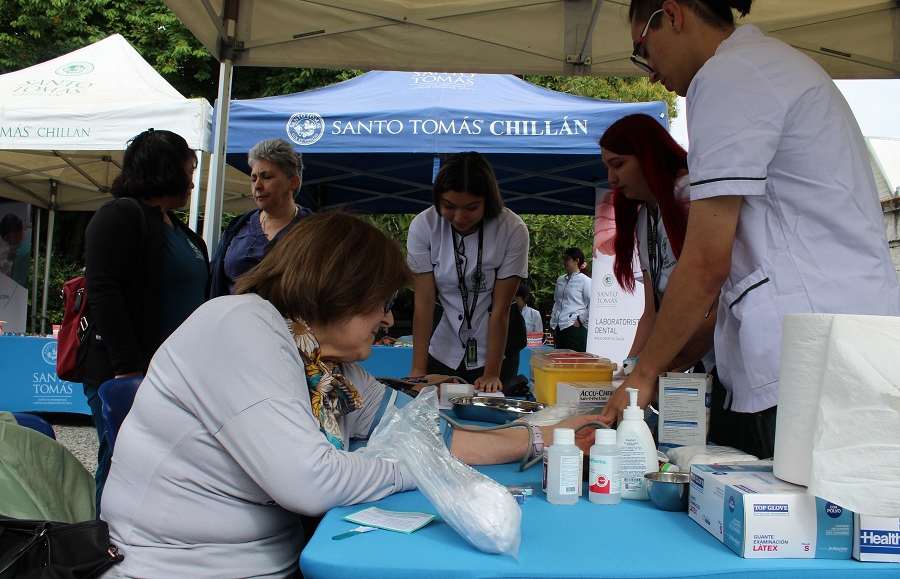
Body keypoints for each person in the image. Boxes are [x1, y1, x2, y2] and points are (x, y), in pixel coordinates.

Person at [100, 211, 608, 578]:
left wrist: (539, 438)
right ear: (336, 287)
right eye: (381, 303)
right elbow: (312, 484)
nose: (389, 319)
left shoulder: (319, 358)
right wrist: (410, 466)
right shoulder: (241, 326)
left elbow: (422, 431)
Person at [602, 0, 900, 459]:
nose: (651, 72)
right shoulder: (774, 66)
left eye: (643, 50)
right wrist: (669, 358)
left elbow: (705, 262)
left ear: (672, 16)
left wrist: (641, 378)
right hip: (842, 341)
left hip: (807, 355)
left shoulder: (728, 78)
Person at [77, 129, 209, 516]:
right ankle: (101, 545)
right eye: (188, 169)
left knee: (162, 470)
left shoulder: (182, 232)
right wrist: (128, 370)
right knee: (121, 463)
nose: (190, 180)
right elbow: (105, 294)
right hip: (128, 375)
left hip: (174, 377)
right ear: (167, 169)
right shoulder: (120, 215)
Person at [599, 113, 715, 373]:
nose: (611, 179)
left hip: (720, 354)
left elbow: (716, 290)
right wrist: (628, 369)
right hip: (692, 358)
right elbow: (652, 310)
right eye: (607, 167)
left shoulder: (690, 193)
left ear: (648, 155)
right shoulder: (645, 217)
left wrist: (651, 369)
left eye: (618, 164)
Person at [406, 152, 529, 393]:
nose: (460, 217)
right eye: (449, 206)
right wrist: (418, 371)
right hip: (442, 343)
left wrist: (492, 373)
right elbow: (424, 301)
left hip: (498, 350)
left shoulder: (512, 229)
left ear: (488, 200)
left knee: (490, 414)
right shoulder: (424, 226)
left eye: (472, 207)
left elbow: (502, 307)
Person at [209, 138, 313, 297]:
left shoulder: (314, 230)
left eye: (267, 177)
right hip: (235, 319)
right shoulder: (237, 228)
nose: (257, 185)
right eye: (254, 178)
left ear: (292, 182)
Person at [549, 247, 591, 352]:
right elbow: (556, 301)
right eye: (563, 259)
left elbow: (594, 304)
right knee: (560, 361)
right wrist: (554, 318)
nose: (564, 262)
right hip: (558, 326)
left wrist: (579, 320)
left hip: (574, 327)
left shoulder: (585, 280)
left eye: (567, 259)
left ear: (576, 261)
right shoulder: (560, 280)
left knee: (576, 362)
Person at [0, 213, 31, 287]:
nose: (8, 243)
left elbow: (16, 286)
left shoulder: (22, 253)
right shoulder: (29, 234)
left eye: (7, 240)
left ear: (12, 234)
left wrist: (7, 270)